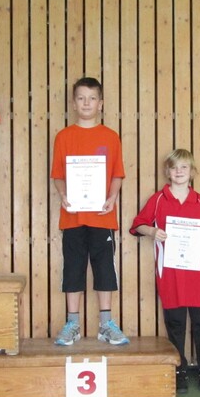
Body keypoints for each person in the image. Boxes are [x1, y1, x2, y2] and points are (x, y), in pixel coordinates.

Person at [51, 77, 129, 346]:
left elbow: (117, 173)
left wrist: (112, 197)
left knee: (105, 269)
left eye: (92, 98)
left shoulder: (110, 136)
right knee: (73, 269)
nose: (86, 103)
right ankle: (72, 324)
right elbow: (58, 175)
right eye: (81, 98)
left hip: (102, 217)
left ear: (101, 103)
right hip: (73, 217)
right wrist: (63, 195)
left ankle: (106, 324)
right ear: (74, 103)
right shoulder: (63, 137)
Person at [130, 149, 200, 393]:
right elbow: (138, 225)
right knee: (176, 324)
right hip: (170, 273)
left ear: (192, 172)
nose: (179, 172)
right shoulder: (158, 199)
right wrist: (152, 231)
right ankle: (179, 370)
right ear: (167, 172)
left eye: (184, 167)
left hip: (198, 273)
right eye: (174, 167)